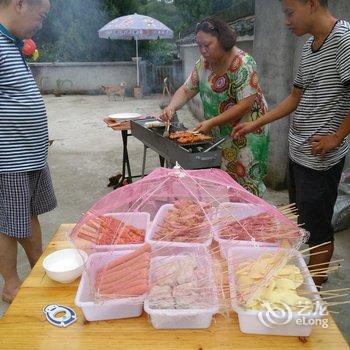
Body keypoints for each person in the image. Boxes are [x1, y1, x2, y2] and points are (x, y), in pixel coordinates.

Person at [234, 0, 350, 286]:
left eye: (289, 13)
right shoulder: (310, 48)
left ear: (311, 4)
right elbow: (294, 98)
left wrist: (337, 136)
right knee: (303, 221)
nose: (286, 22)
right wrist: (255, 123)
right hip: (298, 153)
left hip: (320, 159)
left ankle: (314, 291)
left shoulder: (344, 40)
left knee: (318, 227)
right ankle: (304, 279)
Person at [161, 17, 269, 197]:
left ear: (222, 40)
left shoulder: (243, 64)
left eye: (208, 45)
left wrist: (211, 122)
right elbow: (187, 90)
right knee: (226, 180)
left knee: (246, 180)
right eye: (199, 45)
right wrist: (171, 107)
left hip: (246, 131)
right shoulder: (203, 64)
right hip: (220, 129)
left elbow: (245, 105)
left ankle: (255, 218)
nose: (203, 51)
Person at [0, 0, 56, 303]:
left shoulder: (11, 42)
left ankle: (39, 269)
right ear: (20, 4)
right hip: (9, 159)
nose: (41, 24)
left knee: (26, 214)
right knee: (8, 223)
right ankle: (11, 284)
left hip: (29, 154)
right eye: (41, 16)